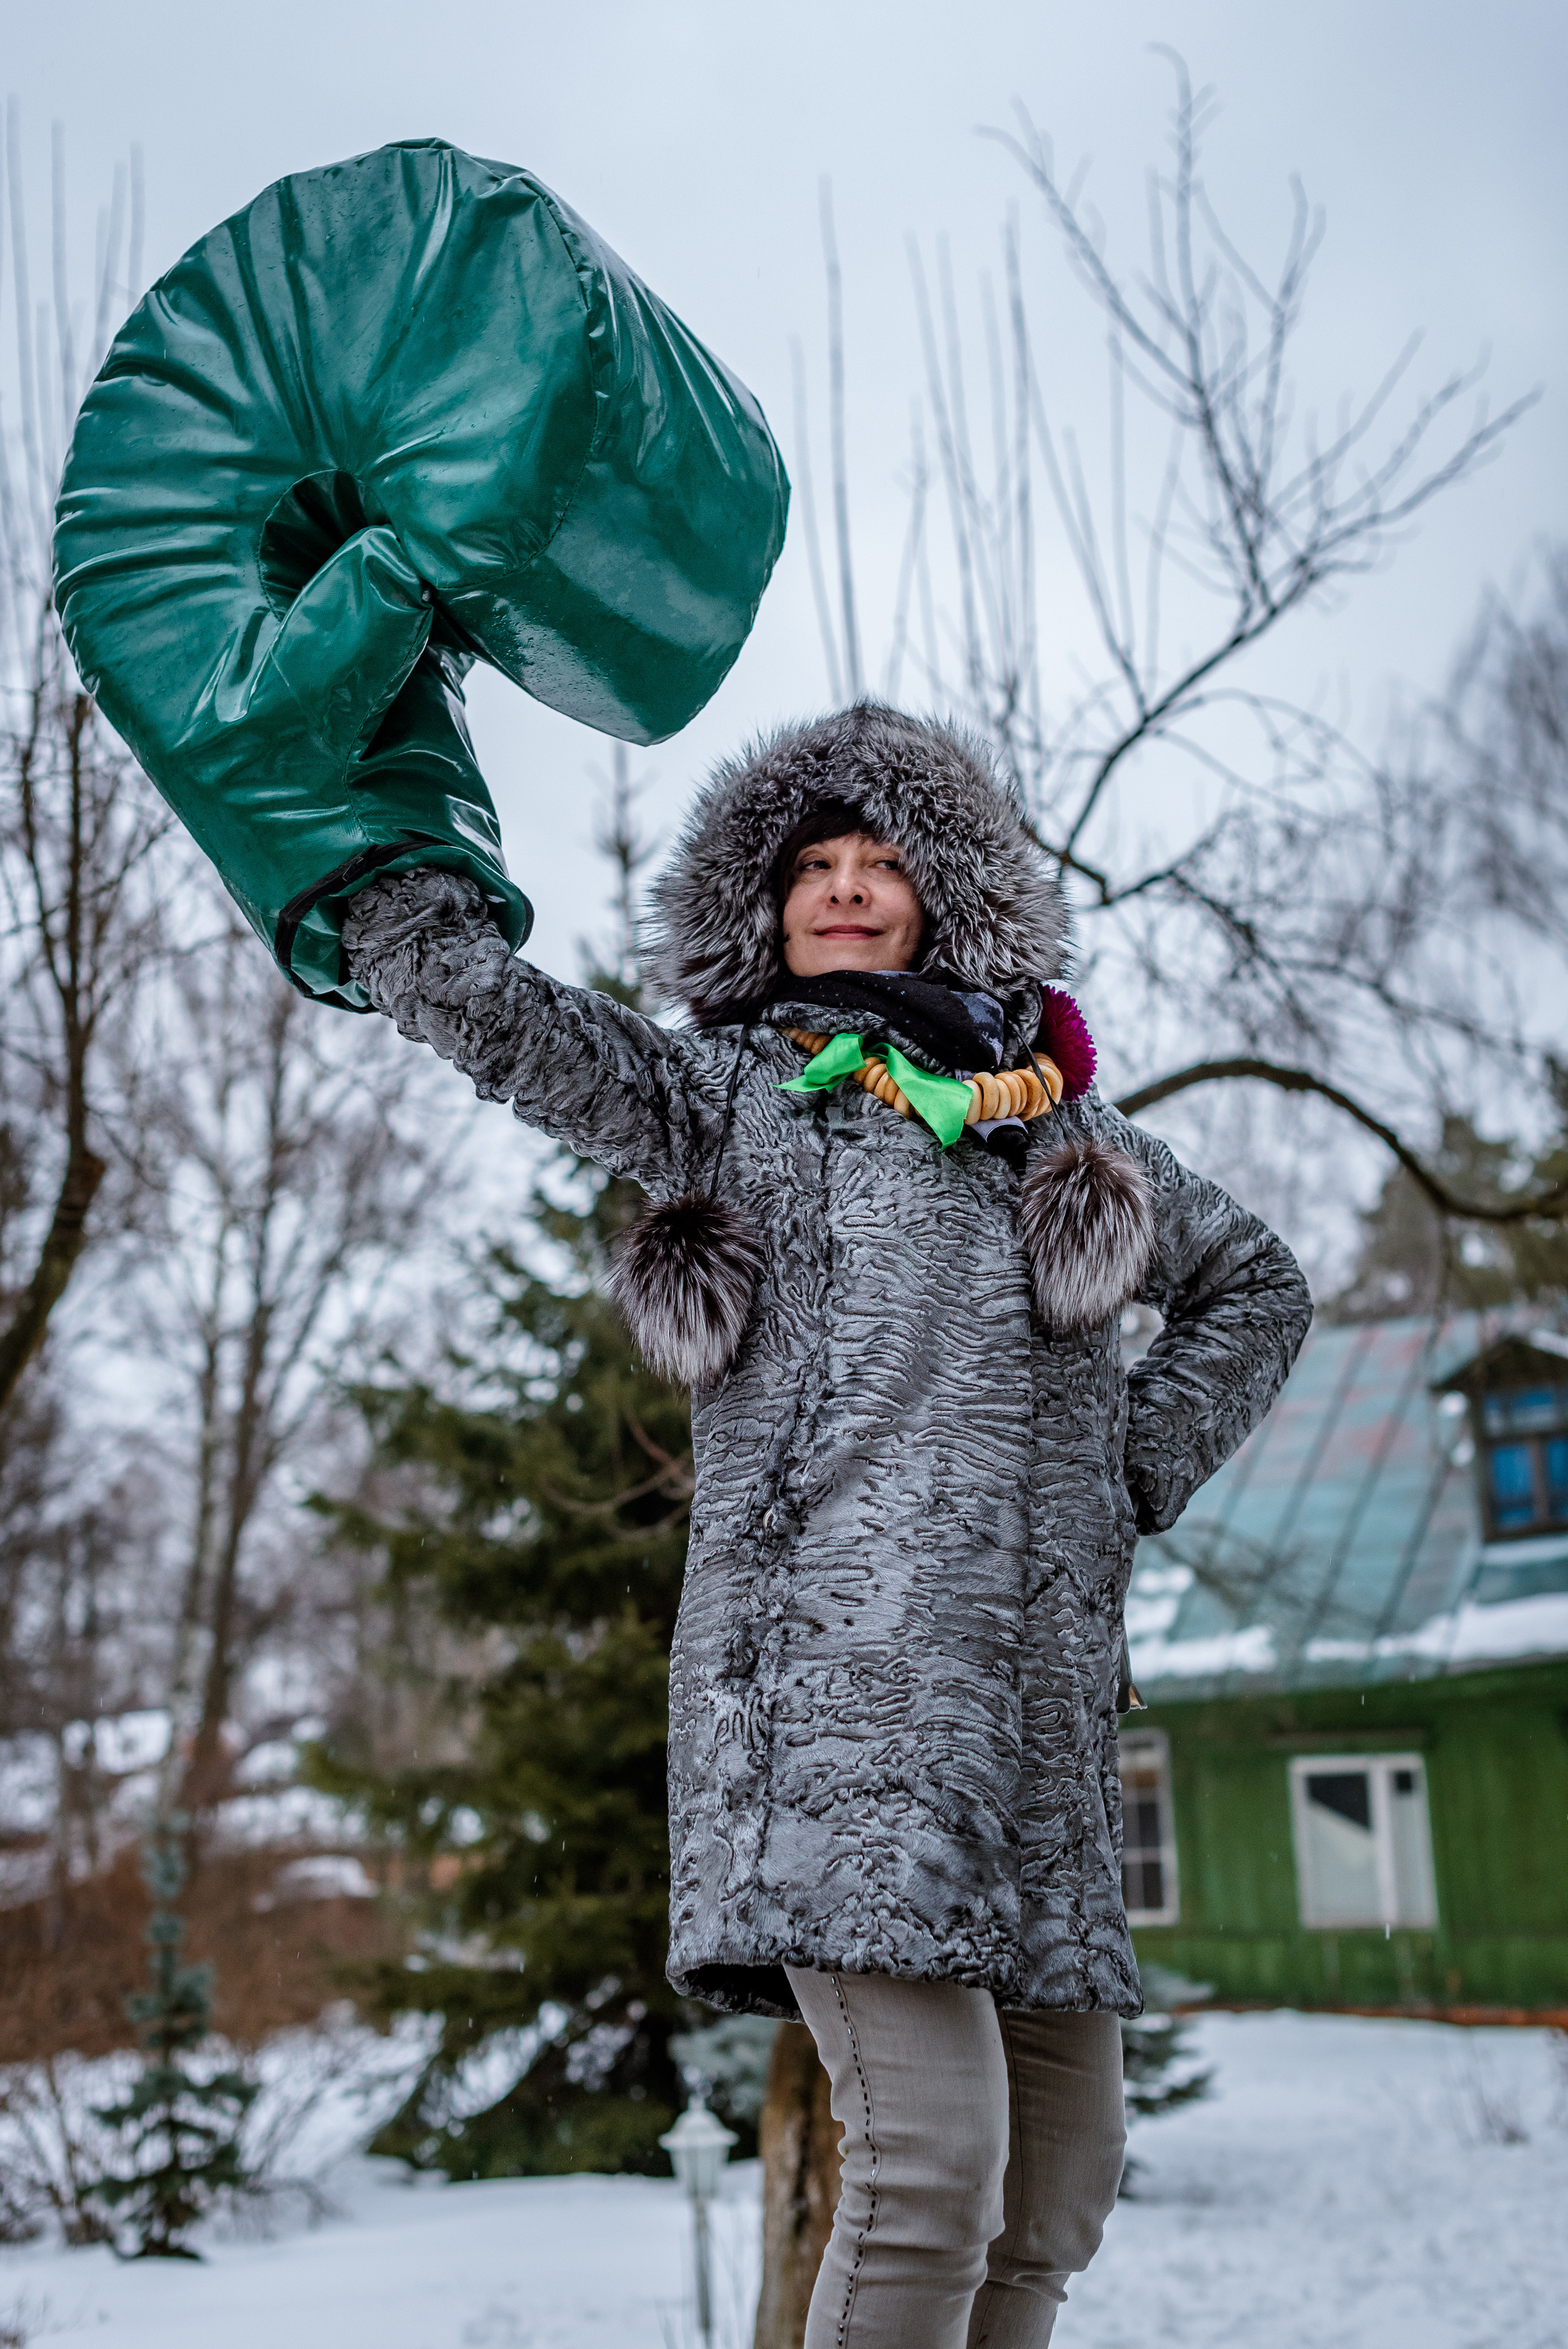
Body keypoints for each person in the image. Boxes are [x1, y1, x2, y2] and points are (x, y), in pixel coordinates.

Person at [342, 702, 1311, 2348]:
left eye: (884, 862)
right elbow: (509, 1024)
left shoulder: (1060, 1128)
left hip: (1036, 1735)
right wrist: (377, 890)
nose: (850, 887)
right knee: (934, 2164)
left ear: (946, 896)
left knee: (1058, 2184)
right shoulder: (731, 1091)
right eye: (814, 865)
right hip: (831, 1719)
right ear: (764, 902)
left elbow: (1258, 1285)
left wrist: (1129, 1475)